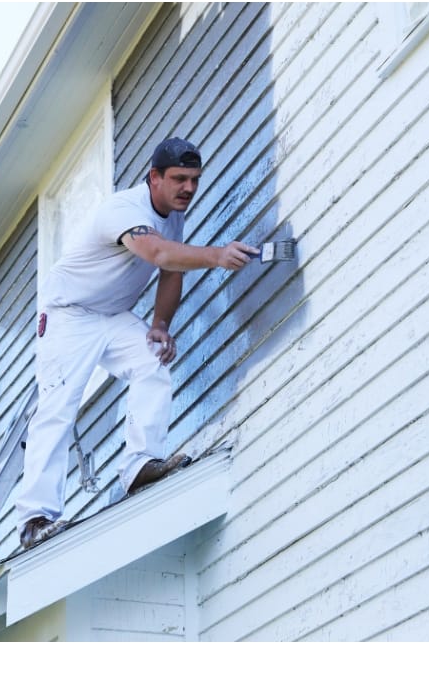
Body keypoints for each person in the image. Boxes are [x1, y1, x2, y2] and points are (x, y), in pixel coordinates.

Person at [15, 137, 259, 549]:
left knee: (152, 360)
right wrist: (217, 256)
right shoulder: (123, 210)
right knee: (58, 408)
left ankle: (140, 465)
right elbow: (160, 254)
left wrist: (160, 324)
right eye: (179, 179)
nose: (188, 189)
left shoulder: (173, 216)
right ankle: (35, 518)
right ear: (154, 178)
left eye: (195, 180)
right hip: (69, 315)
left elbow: (172, 269)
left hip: (111, 316)